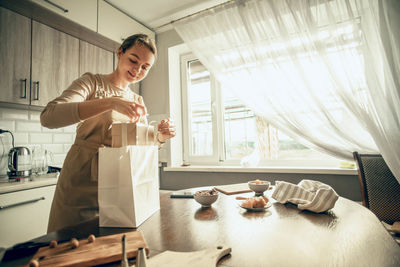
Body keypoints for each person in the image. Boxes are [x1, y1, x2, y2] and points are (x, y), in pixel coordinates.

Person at [41, 34, 176, 232]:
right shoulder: (91, 83)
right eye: (133, 60)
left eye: (145, 67)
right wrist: (111, 102)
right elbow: (49, 116)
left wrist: (160, 136)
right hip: (81, 183)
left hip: (120, 188)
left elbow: (141, 145)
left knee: (110, 250)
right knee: (70, 249)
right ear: (120, 53)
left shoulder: (137, 99)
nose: (137, 70)